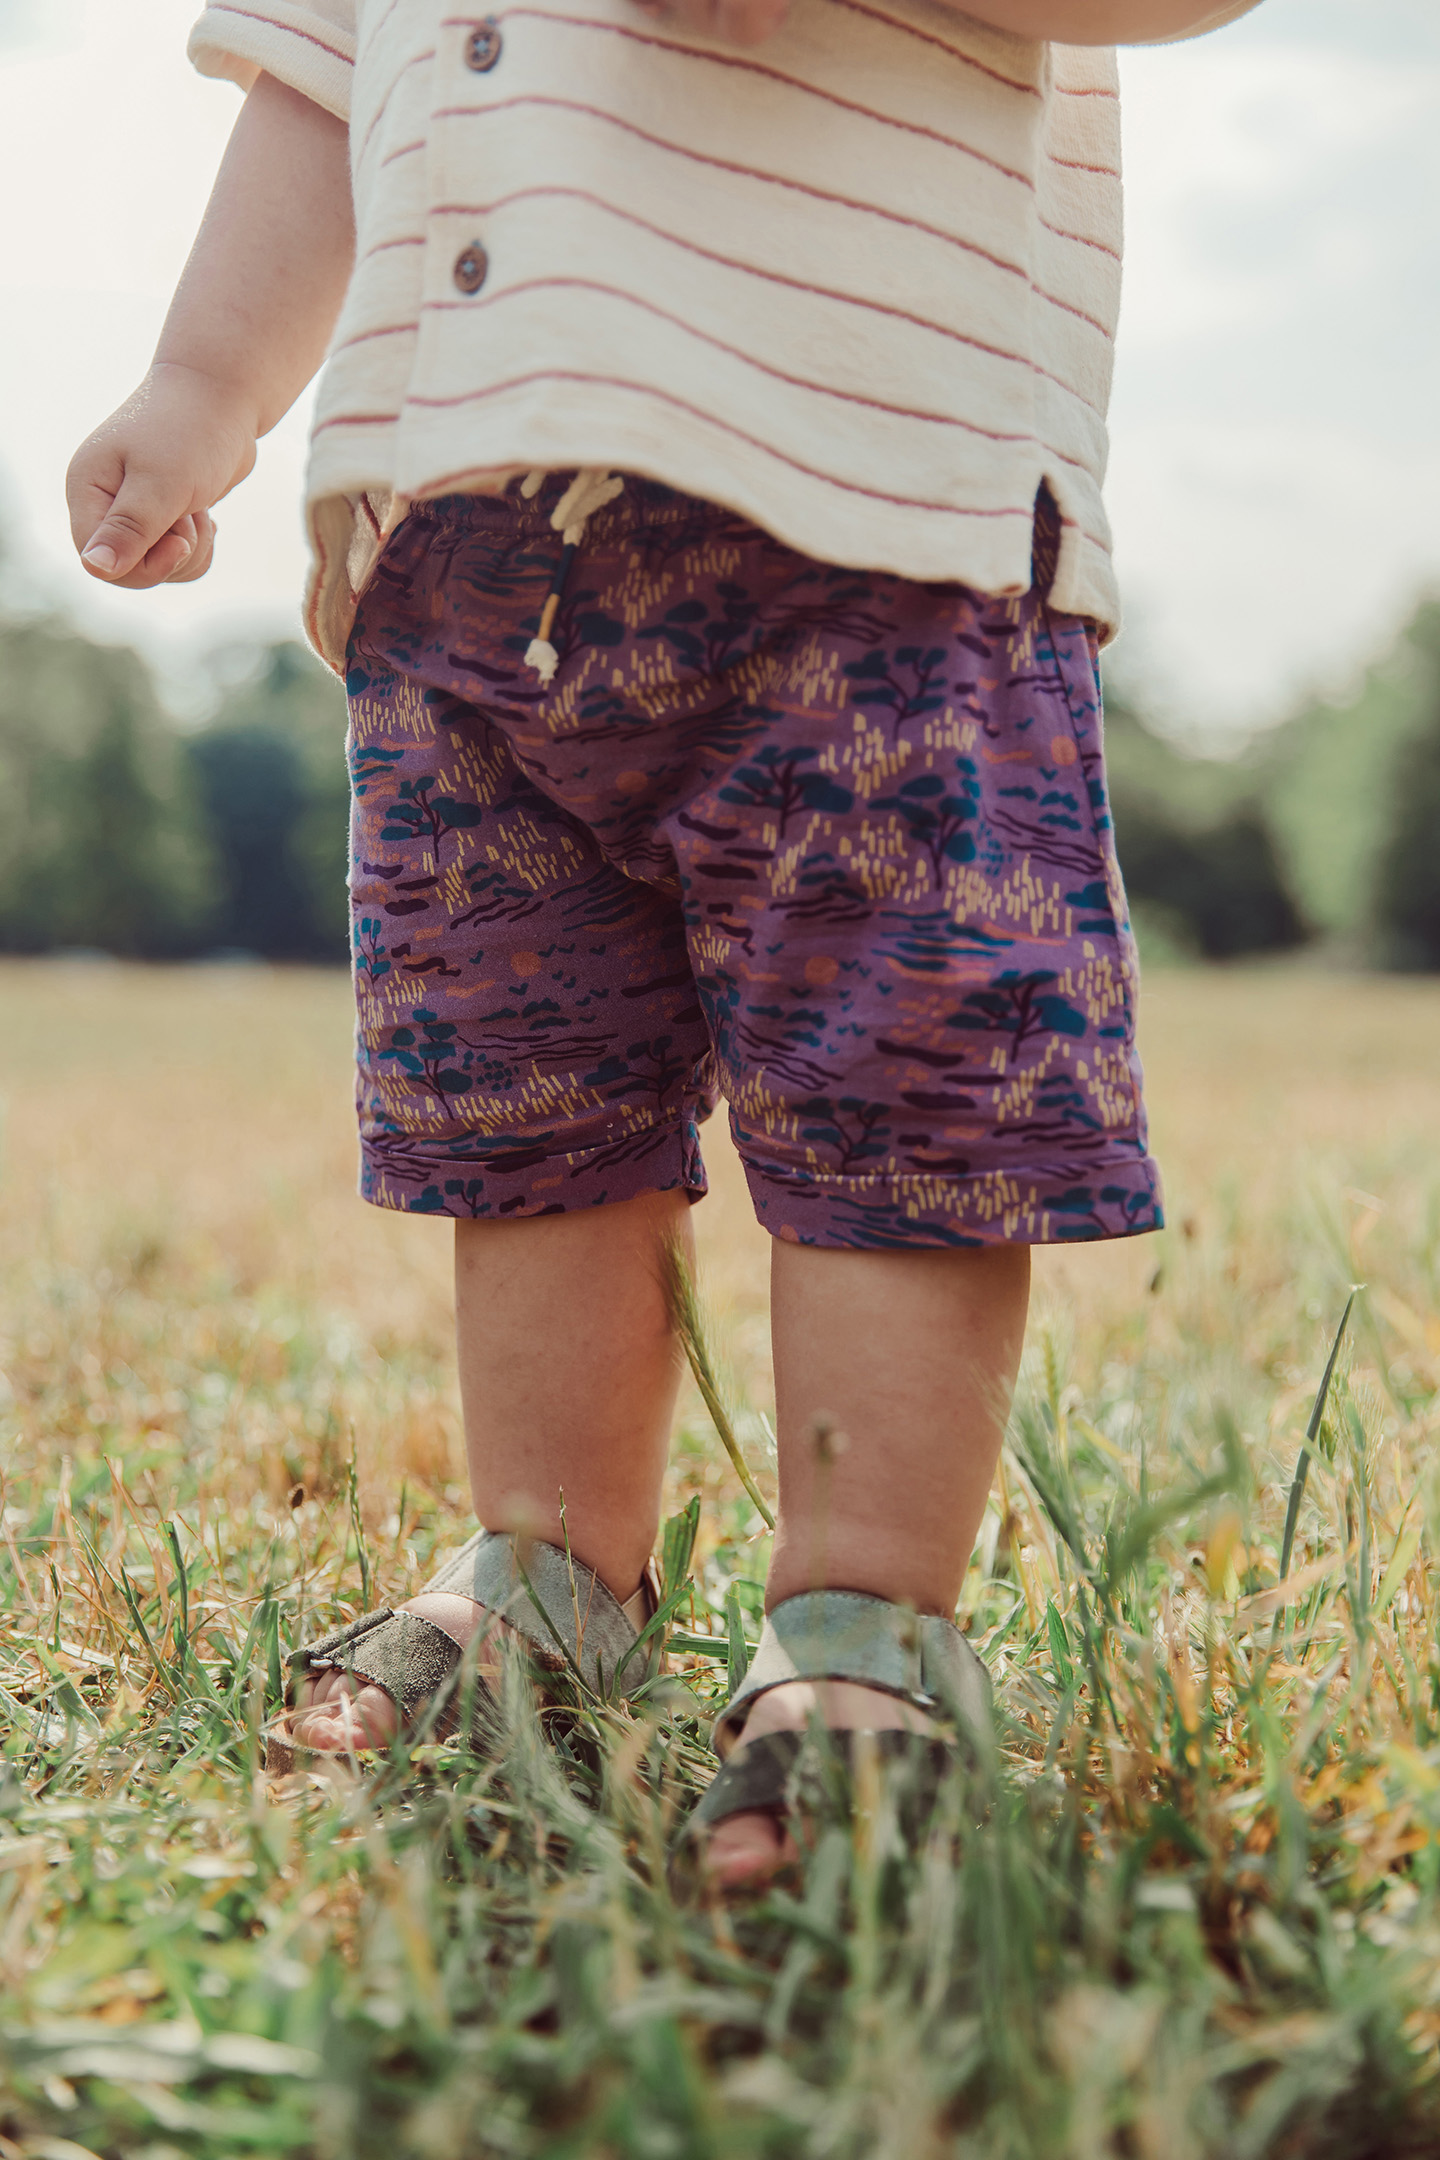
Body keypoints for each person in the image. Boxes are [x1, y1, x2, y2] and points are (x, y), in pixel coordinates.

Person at [66, 0, 1260, 1887]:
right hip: (455, 555)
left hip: (873, 501)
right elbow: (320, 73)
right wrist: (204, 382)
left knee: (899, 1093)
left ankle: (865, 1627)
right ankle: (551, 1571)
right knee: (527, 1104)